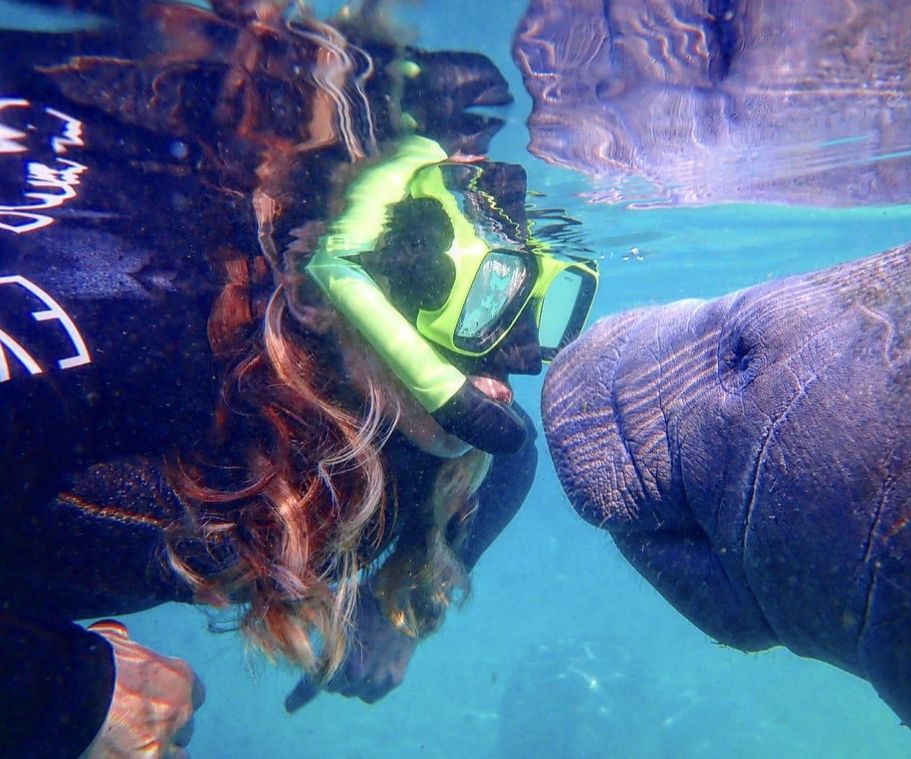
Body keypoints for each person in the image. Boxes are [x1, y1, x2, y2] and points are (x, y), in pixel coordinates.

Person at [0, 1, 599, 756]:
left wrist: (402, 609)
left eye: (524, 319)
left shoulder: (413, 433)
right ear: (320, 294)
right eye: (475, 314)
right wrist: (66, 695)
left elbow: (511, 459)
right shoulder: (119, 333)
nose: (500, 389)